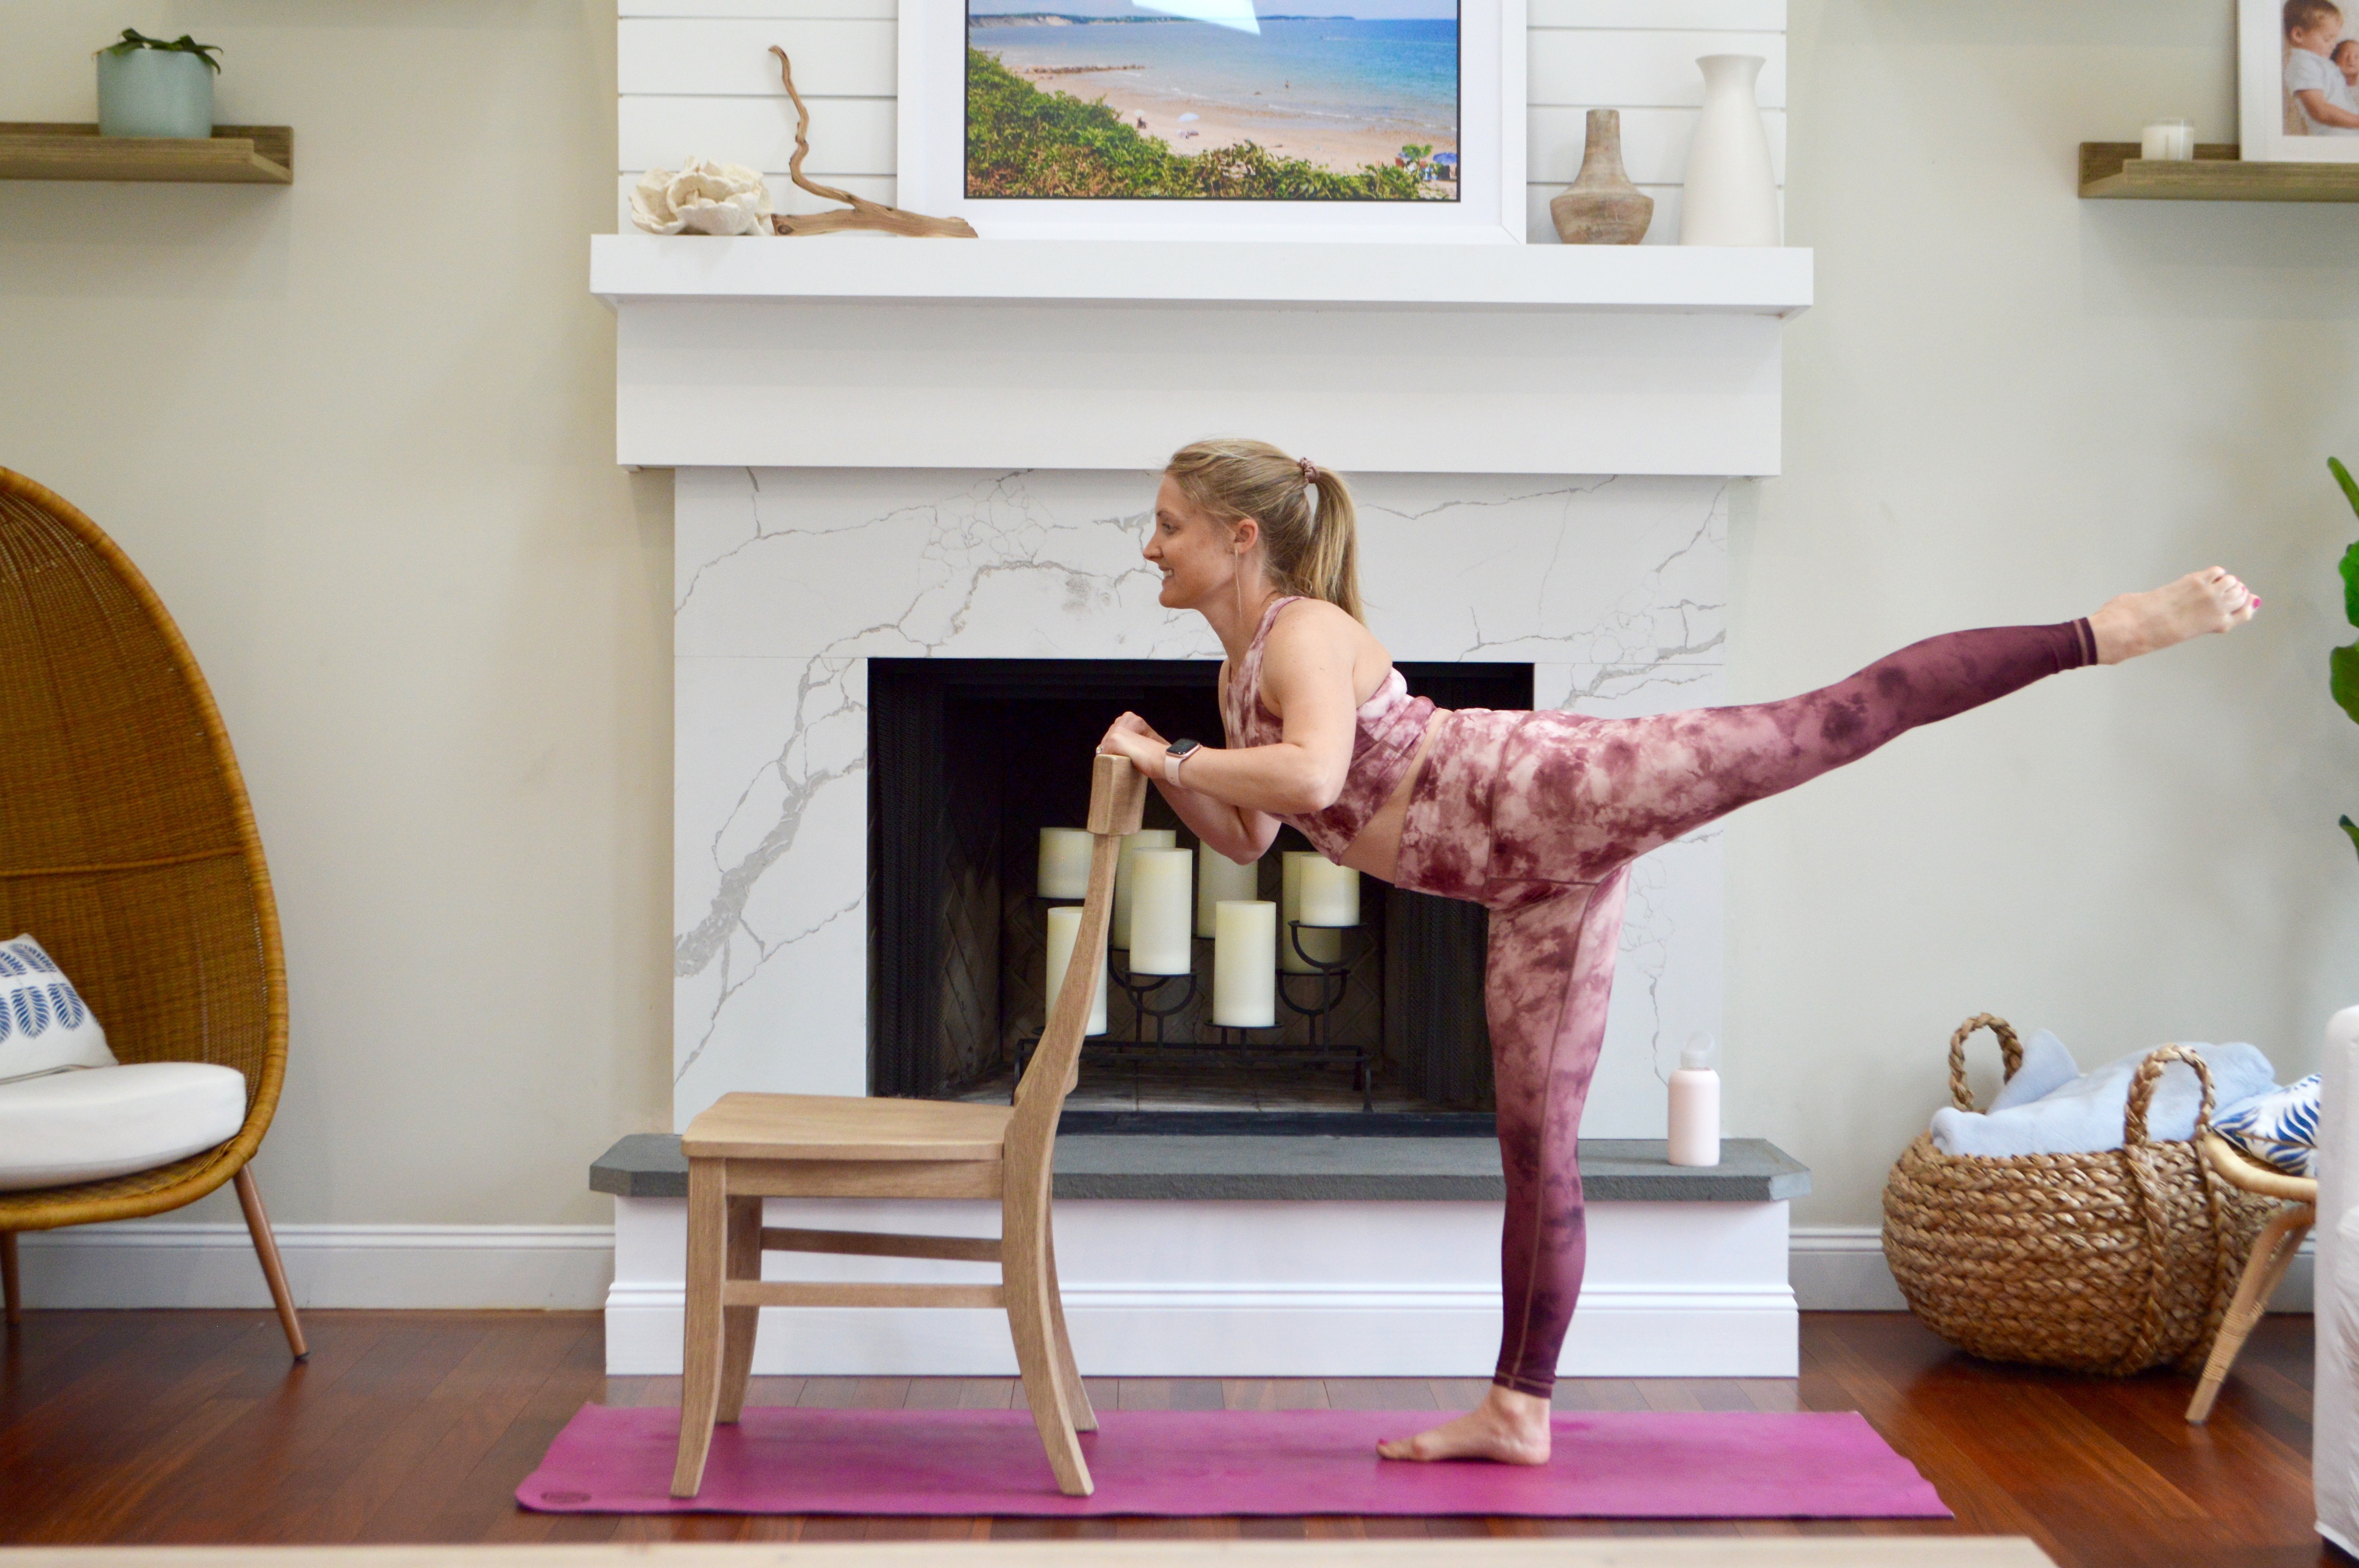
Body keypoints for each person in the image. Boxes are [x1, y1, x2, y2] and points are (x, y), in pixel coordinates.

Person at [1094, 437, 2260, 1465]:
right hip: (1525, 880)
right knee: (1535, 1146)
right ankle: (1518, 1408)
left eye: (1167, 523)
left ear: (1239, 536)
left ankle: (2104, 630)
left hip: (1548, 788)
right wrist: (1168, 759)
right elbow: (1249, 838)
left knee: (1831, 719)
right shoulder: (1234, 674)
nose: (1150, 545)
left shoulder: (1305, 634)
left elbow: (1303, 777)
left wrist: (1178, 762)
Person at [2285, 0, 2359, 135]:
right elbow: (2320, 112)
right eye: (2327, 39)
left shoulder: (2321, 63)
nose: (2333, 45)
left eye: (2334, 40)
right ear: (2298, 35)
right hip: (2334, 139)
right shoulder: (2303, 64)